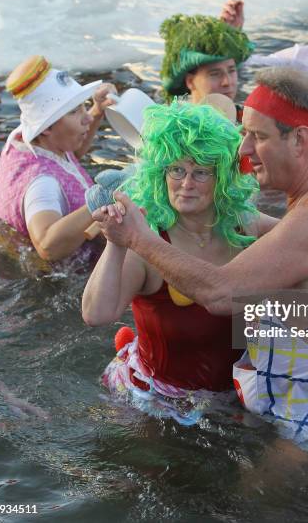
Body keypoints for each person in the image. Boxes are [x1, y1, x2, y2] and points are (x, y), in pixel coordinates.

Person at [93, 66, 308, 456]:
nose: (244, 150)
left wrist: (137, 240)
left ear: (299, 139)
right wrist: (122, 244)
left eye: (257, 136)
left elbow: (220, 293)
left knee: (250, 504)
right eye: (176, 169)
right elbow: (96, 312)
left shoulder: (297, 217)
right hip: (181, 400)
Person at [82, 101, 278, 420]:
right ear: (161, 172)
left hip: (235, 395)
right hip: (159, 401)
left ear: (223, 177)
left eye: (200, 171)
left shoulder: (244, 223)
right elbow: (95, 314)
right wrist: (115, 244)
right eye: (176, 169)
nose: (186, 183)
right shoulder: (146, 240)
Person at [0, 55, 117, 262]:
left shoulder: (29, 139)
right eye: (75, 111)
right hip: (63, 281)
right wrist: (102, 199)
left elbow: (70, 158)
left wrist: (98, 110)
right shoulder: (42, 184)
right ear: (47, 127)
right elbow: (47, 246)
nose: (86, 117)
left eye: (83, 105)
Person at [160, 13, 253, 119]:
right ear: (190, 81)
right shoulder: (177, 128)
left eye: (231, 71)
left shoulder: (247, 122)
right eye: (215, 74)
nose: (227, 82)